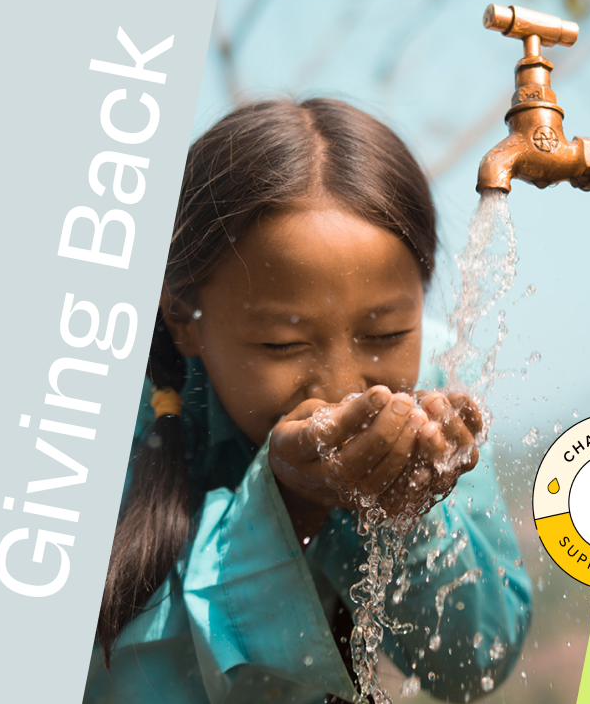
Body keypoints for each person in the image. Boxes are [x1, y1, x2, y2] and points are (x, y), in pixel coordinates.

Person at [84, 98, 531, 704]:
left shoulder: (436, 381)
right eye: (282, 342)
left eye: (384, 335)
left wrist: (409, 518)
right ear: (182, 318)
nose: (343, 387)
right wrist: (287, 508)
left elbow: (474, 662)